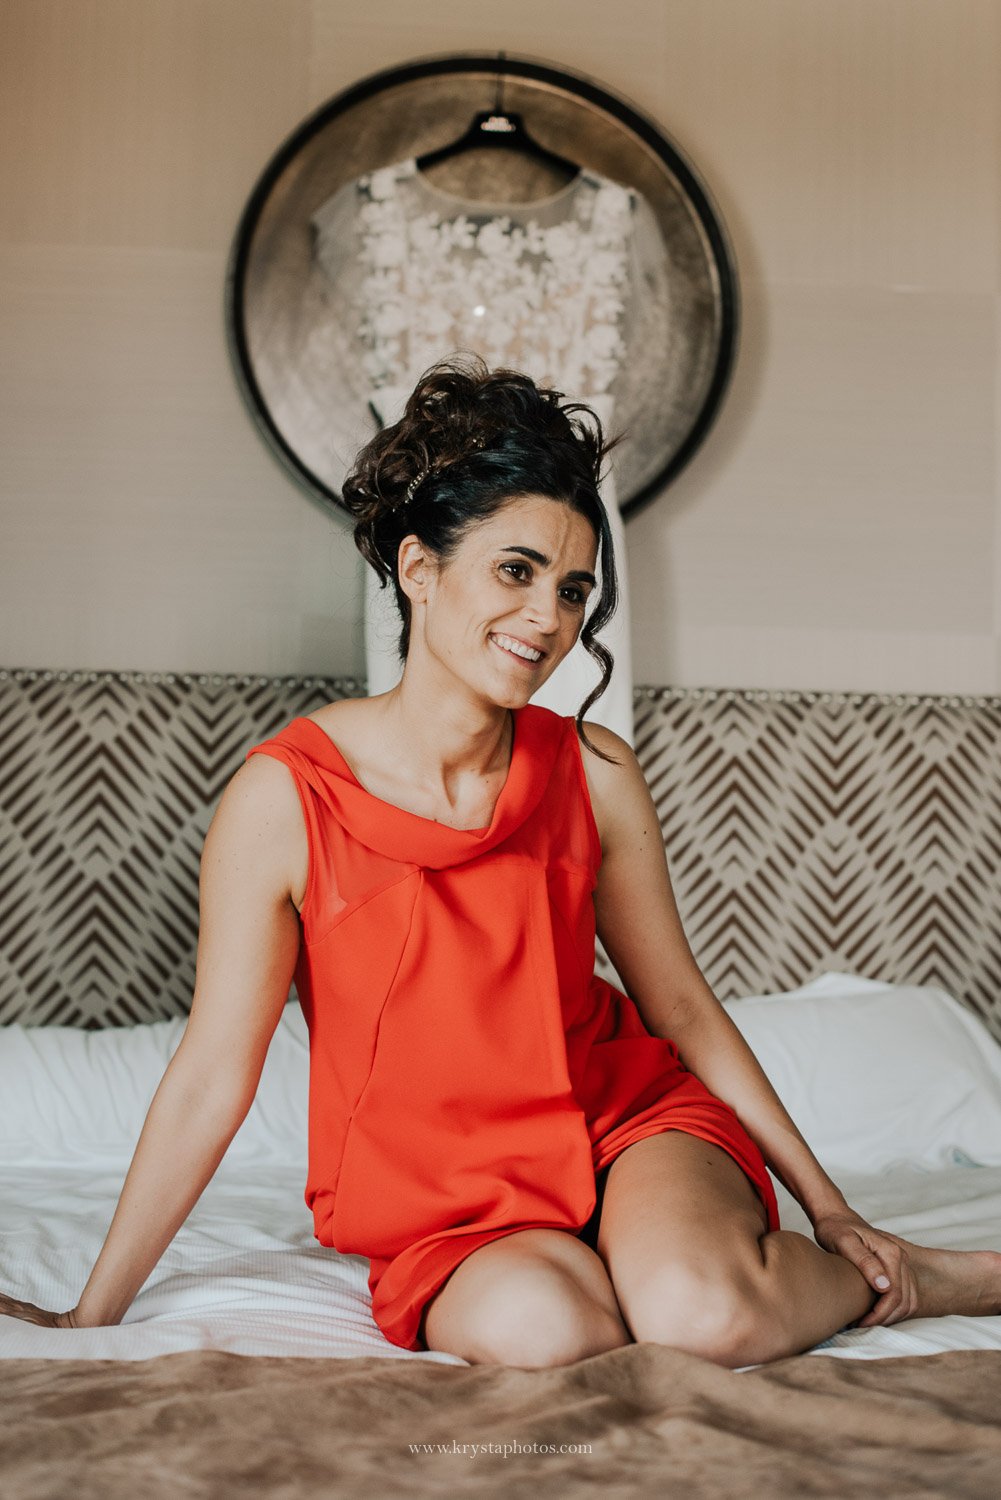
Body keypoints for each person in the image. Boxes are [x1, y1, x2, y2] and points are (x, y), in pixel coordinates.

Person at [3, 354, 999, 1367]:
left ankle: (915, 1275)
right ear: (418, 571)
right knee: (545, 1332)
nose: (546, 620)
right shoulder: (284, 799)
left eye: (572, 591)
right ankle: (628, 1262)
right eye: (515, 572)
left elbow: (684, 1010)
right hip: (446, 1193)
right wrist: (94, 1312)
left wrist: (830, 1210)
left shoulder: (594, 774)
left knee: (704, 1318)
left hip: (625, 1124)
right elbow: (215, 1071)